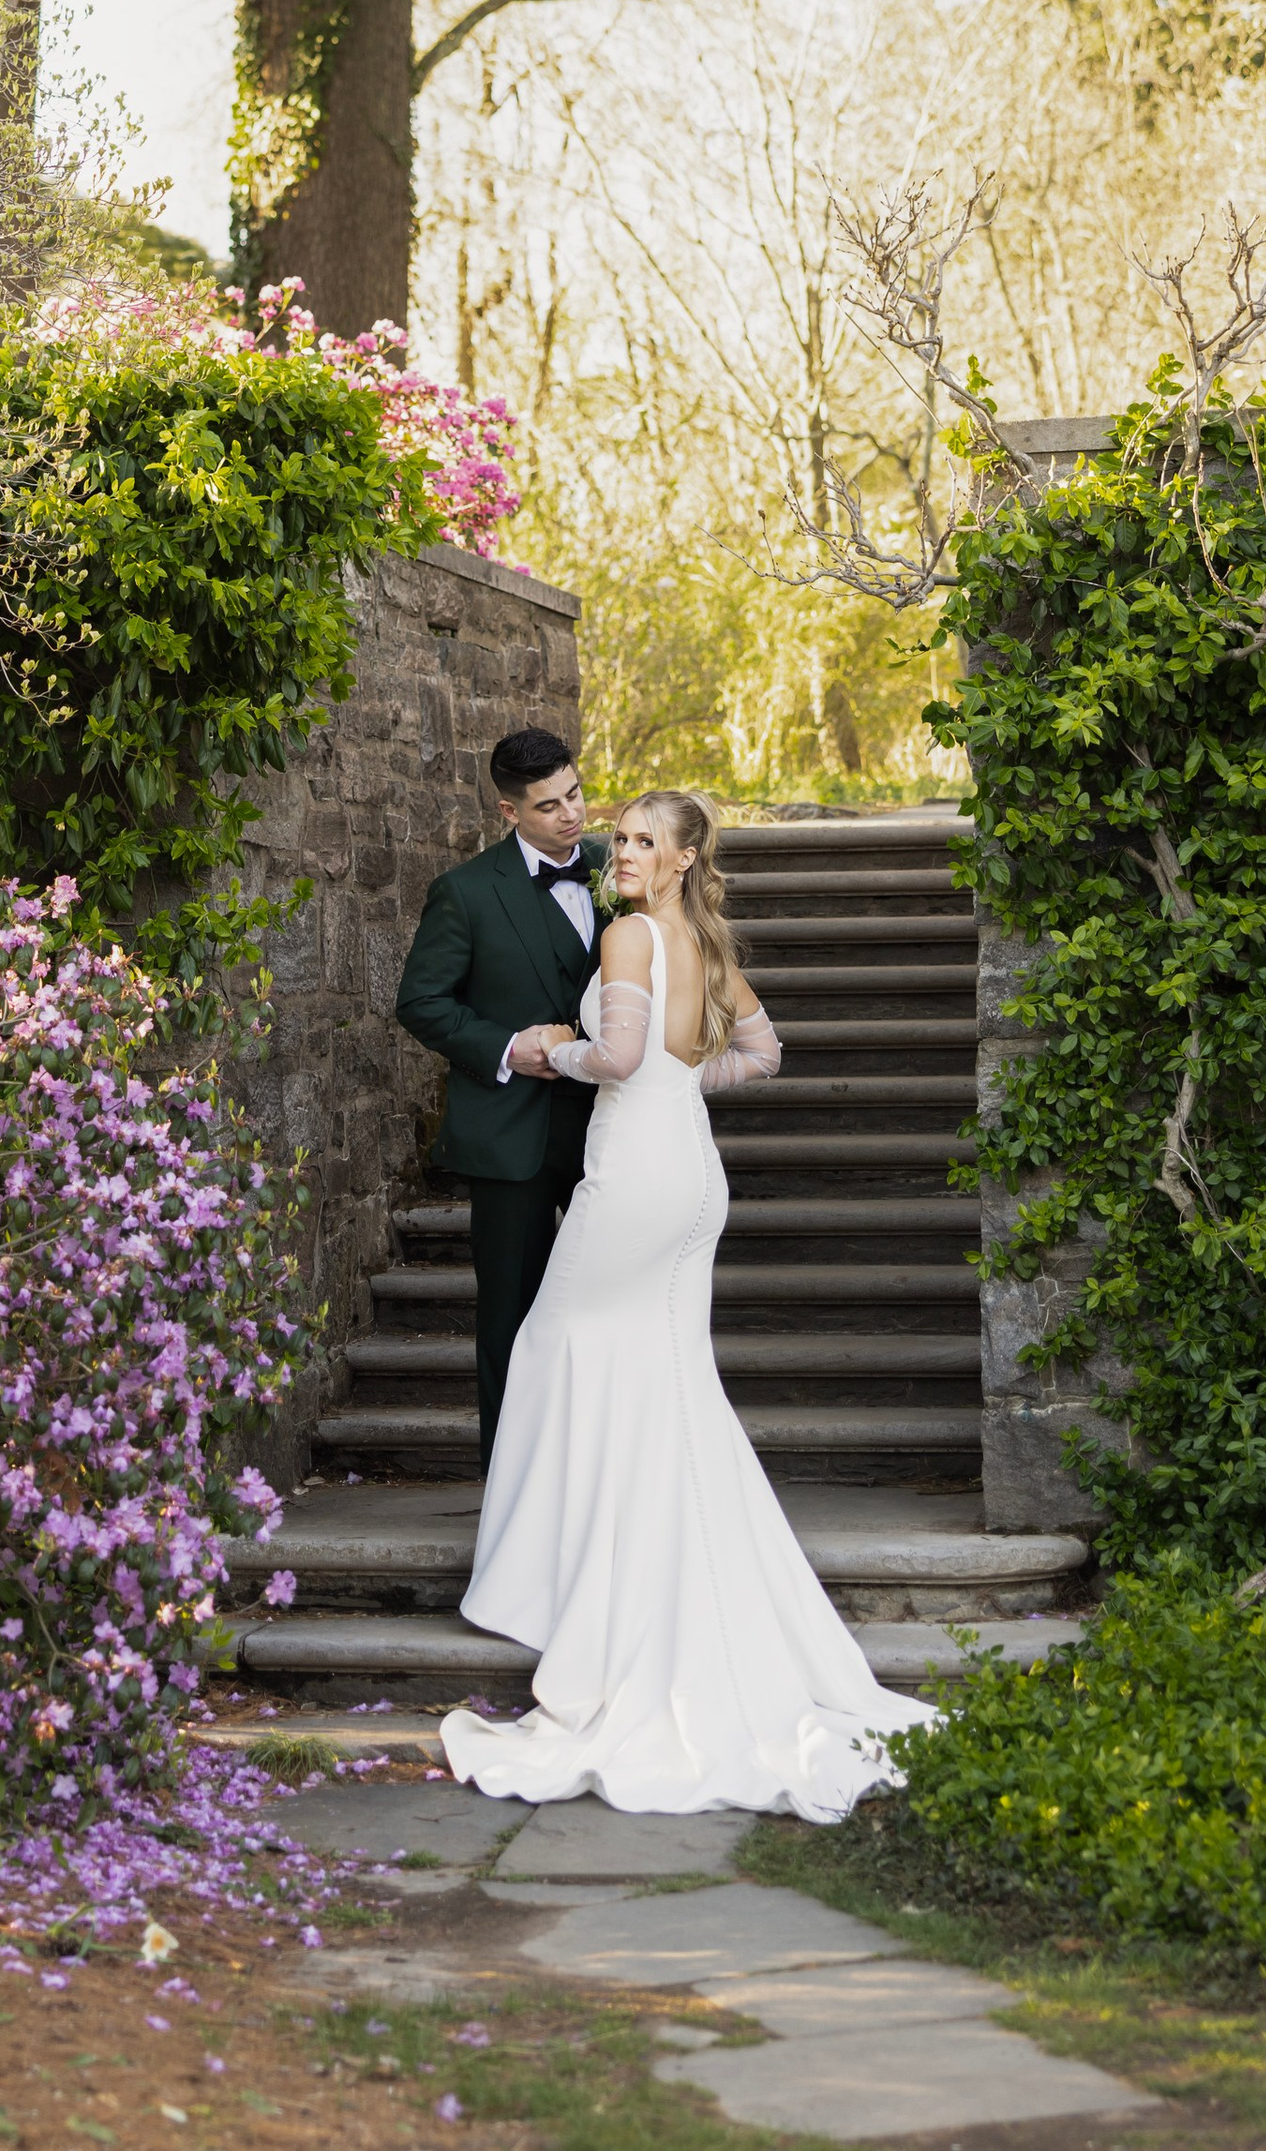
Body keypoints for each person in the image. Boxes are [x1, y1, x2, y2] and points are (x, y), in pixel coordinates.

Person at [441, 788, 938, 1819]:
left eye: (639, 843)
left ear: (681, 859)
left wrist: (543, 1051)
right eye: (616, 837)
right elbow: (762, 1053)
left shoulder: (628, 939)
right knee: (659, 1377)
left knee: (547, 1351)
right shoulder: (704, 946)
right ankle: (624, 1575)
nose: (620, 852)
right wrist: (680, 1081)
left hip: (633, 1178)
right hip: (690, 1174)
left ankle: (556, 1592)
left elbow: (616, 1060)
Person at [394, 729, 607, 1470]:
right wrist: (511, 1047)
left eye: (575, 794)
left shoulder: (621, 869)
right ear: (509, 811)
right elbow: (421, 1002)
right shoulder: (466, 891)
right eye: (549, 806)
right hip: (509, 1135)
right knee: (511, 1321)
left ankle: (596, 1479)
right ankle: (512, 1496)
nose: (571, 815)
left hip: (610, 1134)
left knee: (607, 1314)